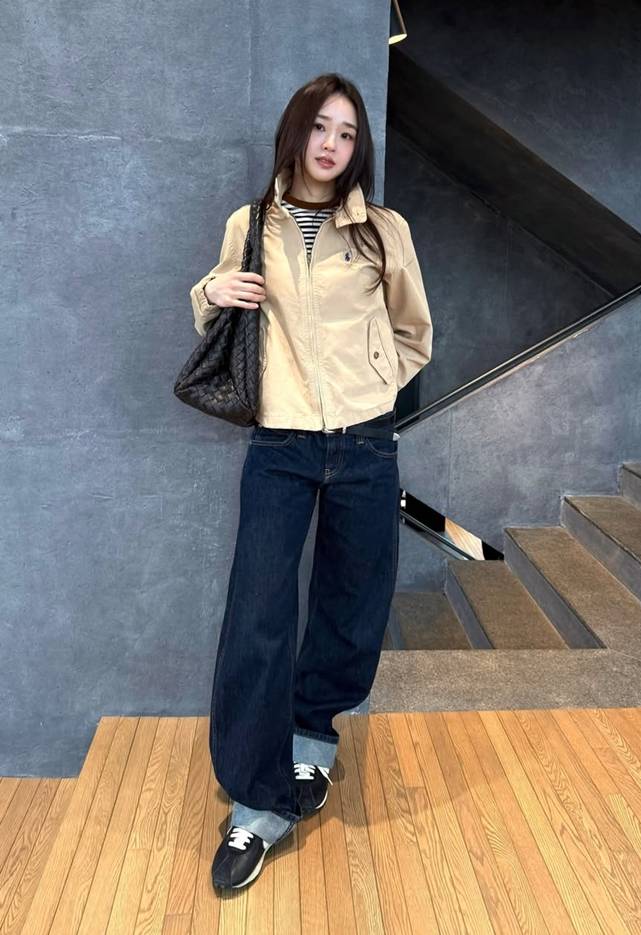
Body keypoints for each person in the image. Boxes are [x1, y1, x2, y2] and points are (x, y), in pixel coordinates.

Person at [188, 73, 433, 891]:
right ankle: (255, 803)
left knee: (352, 602)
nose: (332, 144)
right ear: (295, 133)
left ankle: (311, 738)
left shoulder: (383, 231)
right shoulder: (249, 224)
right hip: (281, 443)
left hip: (365, 443)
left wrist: (373, 389)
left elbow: (413, 331)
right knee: (258, 613)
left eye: (347, 132)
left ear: (359, 148)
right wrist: (211, 289)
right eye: (320, 127)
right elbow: (217, 306)